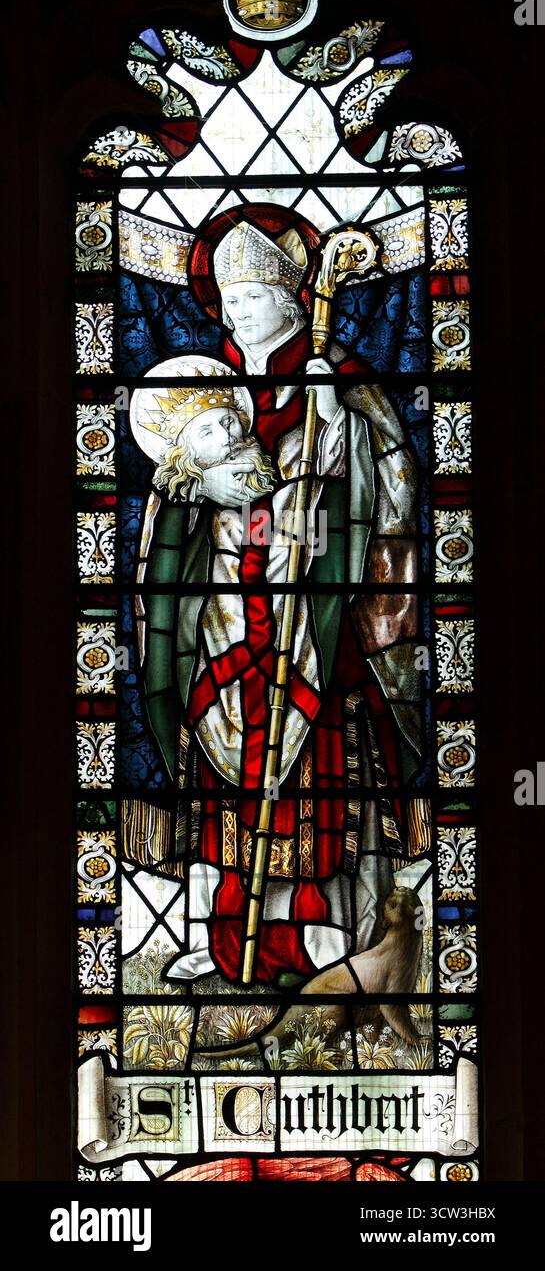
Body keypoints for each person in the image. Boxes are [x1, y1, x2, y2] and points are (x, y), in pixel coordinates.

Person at [132, 217, 422, 987]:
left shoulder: (340, 383)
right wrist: (203, 493)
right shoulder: (205, 387)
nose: (240, 315)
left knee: (320, 772)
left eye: (255, 296)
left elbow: (385, 490)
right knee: (221, 779)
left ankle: (322, 931)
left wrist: (335, 447)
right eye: (231, 301)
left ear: (293, 302)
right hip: (225, 612)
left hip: (311, 613)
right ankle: (226, 932)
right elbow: (176, 499)